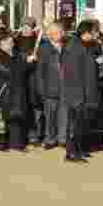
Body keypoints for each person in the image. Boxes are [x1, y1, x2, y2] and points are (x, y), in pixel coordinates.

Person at [0, 27, 34, 152]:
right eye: (9, 40)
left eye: (11, 39)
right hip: (4, 91)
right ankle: (1, 144)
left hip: (18, 90)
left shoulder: (17, 54)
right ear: (2, 42)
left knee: (17, 118)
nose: (12, 42)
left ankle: (17, 143)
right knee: (3, 118)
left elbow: (22, 70)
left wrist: (29, 63)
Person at [61, 20, 101, 163]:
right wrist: (78, 97)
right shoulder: (74, 46)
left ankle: (79, 149)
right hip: (77, 94)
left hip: (87, 92)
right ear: (86, 32)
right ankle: (71, 152)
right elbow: (72, 74)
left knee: (82, 124)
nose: (97, 34)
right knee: (74, 124)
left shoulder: (88, 46)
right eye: (95, 31)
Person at [35, 22, 67, 150]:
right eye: (53, 33)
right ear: (48, 35)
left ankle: (62, 138)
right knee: (50, 116)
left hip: (65, 87)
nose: (57, 35)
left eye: (58, 32)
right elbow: (40, 71)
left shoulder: (67, 46)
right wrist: (41, 89)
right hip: (49, 88)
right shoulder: (44, 48)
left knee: (64, 115)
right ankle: (50, 139)